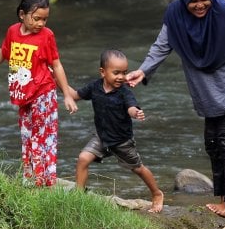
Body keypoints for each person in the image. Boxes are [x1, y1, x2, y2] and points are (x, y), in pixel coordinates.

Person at [126, 0, 225, 220]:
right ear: (184, 0)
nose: (199, 5)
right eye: (193, 0)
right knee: (213, 143)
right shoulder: (175, 15)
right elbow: (162, 45)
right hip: (210, 92)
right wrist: (143, 70)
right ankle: (223, 199)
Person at [0, 0, 78, 187]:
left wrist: (66, 94)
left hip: (43, 93)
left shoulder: (46, 36)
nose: (41, 24)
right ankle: (30, 180)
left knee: (43, 139)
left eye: (45, 19)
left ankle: (44, 183)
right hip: (24, 95)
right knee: (27, 137)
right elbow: (1, 54)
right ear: (22, 15)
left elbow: (56, 65)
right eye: (36, 18)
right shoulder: (13, 32)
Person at [66, 49, 164, 213]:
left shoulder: (124, 92)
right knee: (83, 158)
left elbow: (131, 107)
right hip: (101, 137)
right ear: (102, 72)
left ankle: (157, 193)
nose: (121, 77)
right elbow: (74, 95)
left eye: (124, 73)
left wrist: (135, 113)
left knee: (138, 168)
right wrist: (56, 79)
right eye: (116, 72)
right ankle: (78, 196)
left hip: (121, 140)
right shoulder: (95, 87)